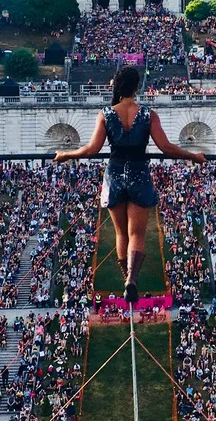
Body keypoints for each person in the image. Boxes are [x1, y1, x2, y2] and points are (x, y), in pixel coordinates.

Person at [55, 65, 206, 303]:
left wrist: (66, 155)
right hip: (139, 174)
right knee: (136, 233)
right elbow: (166, 148)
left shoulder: (106, 114)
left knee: (120, 233)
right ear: (137, 87)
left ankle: (125, 278)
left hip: (115, 174)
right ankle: (131, 280)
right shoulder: (147, 115)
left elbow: (92, 150)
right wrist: (193, 156)